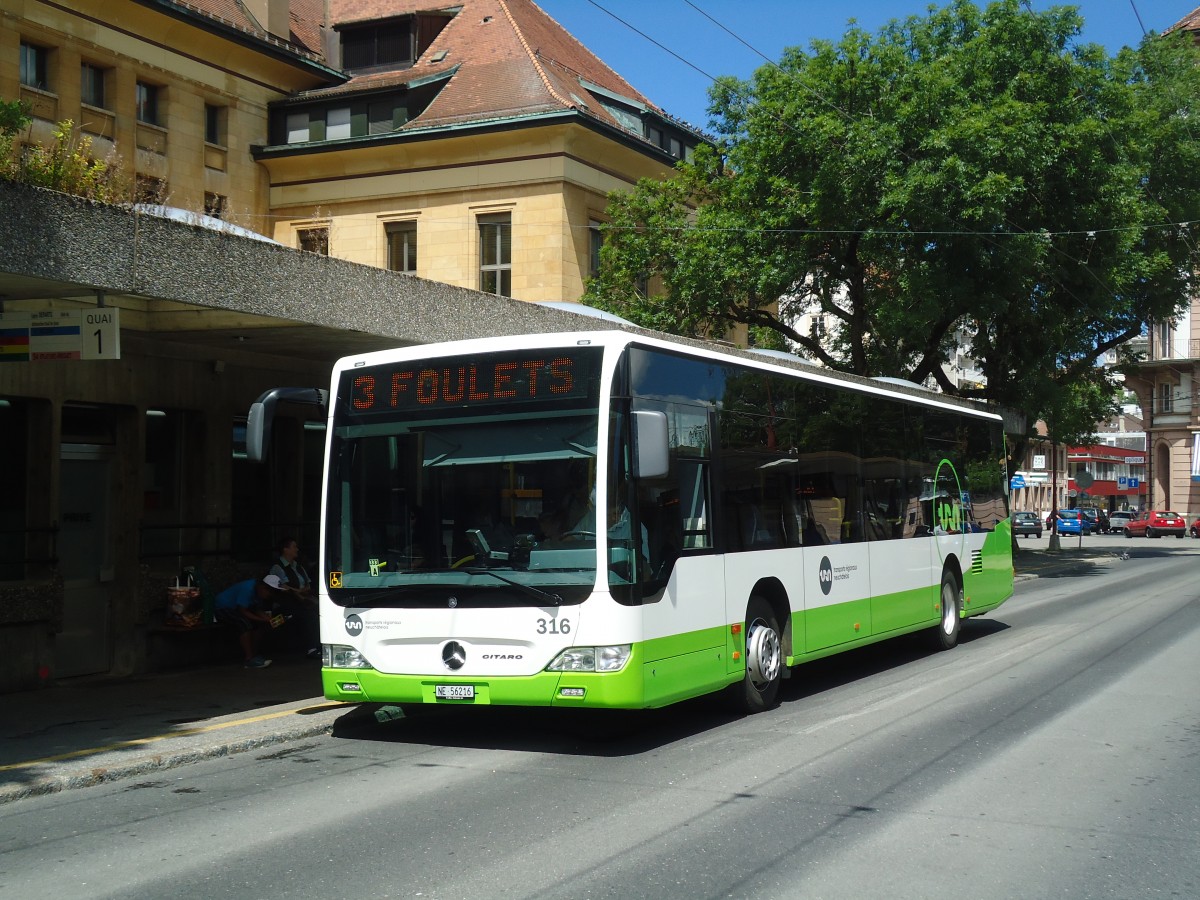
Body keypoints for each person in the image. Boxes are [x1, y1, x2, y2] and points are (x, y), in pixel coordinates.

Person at [214, 575, 288, 668]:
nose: (270, 595)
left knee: (259, 625)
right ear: (263, 588)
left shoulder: (258, 592)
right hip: (223, 608)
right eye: (270, 592)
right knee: (244, 624)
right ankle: (249, 659)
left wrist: (268, 620)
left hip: (237, 608)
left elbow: (257, 609)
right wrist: (262, 619)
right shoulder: (248, 589)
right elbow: (243, 610)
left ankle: (254, 654)